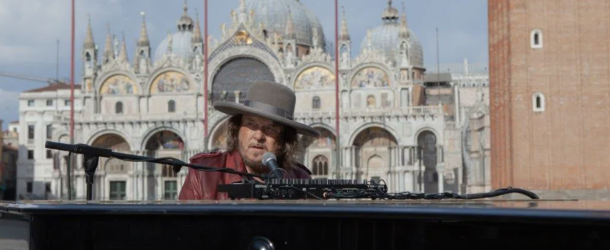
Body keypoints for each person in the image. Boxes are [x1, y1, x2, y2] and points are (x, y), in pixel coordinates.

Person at [178, 80, 321, 200]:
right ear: (237, 129)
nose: (258, 136)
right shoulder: (204, 173)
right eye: (251, 124)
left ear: (285, 139)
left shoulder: (299, 179)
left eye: (270, 128)